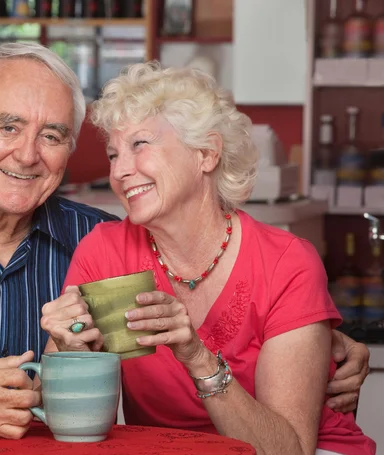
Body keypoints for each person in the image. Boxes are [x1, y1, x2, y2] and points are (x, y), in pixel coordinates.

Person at [0, 43, 367, 440]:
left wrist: (318, 343)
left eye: (52, 136)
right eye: (7, 127)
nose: (29, 154)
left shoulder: (98, 238)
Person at [40, 61, 376, 454]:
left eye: (140, 145)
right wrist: (74, 352)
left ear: (206, 153)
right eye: (114, 154)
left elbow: (288, 449)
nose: (120, 171)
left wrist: (197, 357)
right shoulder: (104, 250)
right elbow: (67, 425)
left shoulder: (287, 263)